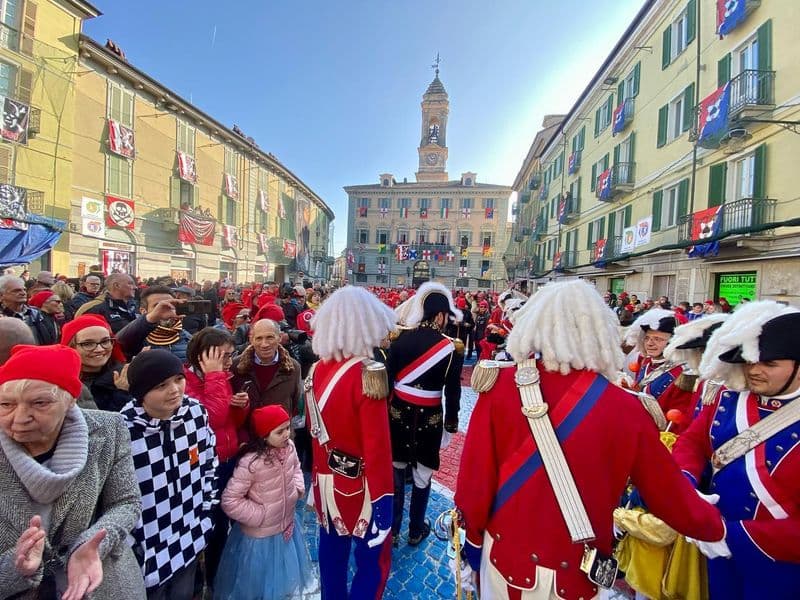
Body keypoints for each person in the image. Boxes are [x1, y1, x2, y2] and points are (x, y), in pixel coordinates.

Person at [454, 279, 727, 600]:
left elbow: (475, 483)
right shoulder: (627, 407)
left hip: (504, 562)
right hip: (580, 574)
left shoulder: (499, 389)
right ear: (600, 331)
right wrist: (716, 528)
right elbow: (667, 493)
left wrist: (471, 548)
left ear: (534, 325)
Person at [673, 300, 800, 599]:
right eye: (749, 361)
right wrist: (686, 482)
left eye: (769, 364)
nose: (754, 370)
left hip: (782, 567)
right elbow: (691, 442)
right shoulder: (729, 400)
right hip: (719, 553)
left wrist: (736, 537)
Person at [0, 344, 145, 599]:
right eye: (6, 404)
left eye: (40, 403)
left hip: (101, 585)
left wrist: (93, 543)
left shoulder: (109, 429)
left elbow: (126, 502)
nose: (20, 417)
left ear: (70, 400)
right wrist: (16, 567)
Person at [307, 286, 396, 598]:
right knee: (373, 562)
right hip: (361, 487)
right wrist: (385, 501)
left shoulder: (316, 368)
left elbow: (313, 429)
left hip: (324, 481)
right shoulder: (368, 373)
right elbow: (378, 447)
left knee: (331, 555)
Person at [121, 349, 218, 599]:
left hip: (190, 537)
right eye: (162, 385)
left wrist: (206, 514)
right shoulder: (122, 431)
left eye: (178, 379)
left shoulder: (196, 413)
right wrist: (135, 547)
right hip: (146, 551)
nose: (174, 390)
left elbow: (209, 463)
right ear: (141, 392)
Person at [387, 282, 463, 546]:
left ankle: (393, 530)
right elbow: (453, 393)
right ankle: (416, 529)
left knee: (396, 472)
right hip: (430, 420)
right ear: (441, 315)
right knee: (422, 475)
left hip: (397, 415)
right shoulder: (452, 348)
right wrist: (451, 425)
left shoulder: (399, 338)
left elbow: (387, 384)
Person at [214, 405, 317, 599]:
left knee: (280, 577)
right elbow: (230, 500)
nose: (286, 434)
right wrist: (259, 515)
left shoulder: (290, 449)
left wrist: (297, 489)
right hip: (259, 538)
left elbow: (296, 468)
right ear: (263, 435)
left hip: (286, 527)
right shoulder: (252, 463)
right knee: (257, 582)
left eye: (288, 428)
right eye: (280, 431)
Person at [183, 327, 250, 588]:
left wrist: (239, 406)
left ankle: (222, 573)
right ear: (204, 356)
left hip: (227, 458)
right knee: (215, 527)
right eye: (222, 356)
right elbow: (211, 418)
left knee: (228, 522)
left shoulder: (220, 377)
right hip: (205, 466)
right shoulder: (187, 381)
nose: (228, 361)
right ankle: (210, 581)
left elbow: (228, 421)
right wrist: (215, 377)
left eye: (230, 355)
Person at [624, 308, 694, 432]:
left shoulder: (686, 373)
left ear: (673, 342)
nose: (649, 343)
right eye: (647, 338)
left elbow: (679, 418)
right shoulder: (646, 362)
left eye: (658, 339)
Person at [231, 318, 302, 419]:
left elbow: (295, 403)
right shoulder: (236, 367)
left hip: (281, 432)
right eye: (259, 338)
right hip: (248, 433)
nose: (264, 344)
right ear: (251, 340)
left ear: (280, 338)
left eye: (270, 337)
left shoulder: (293, 368)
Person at [61, 315, 131, 412]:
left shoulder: (124, 376)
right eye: (88, 344)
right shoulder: (62, 385)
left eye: (105, 341)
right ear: (71, 347)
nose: (100, 349)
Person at [116, 286, 192, 361]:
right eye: (158, 306)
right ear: (143, 311)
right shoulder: (137, 338)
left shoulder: (188, 339)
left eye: (170, 305)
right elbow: (118, 343)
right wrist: (151, 318)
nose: (165, 309)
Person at [0, 275, 50, 344]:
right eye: (16, 291)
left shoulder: (35, 313)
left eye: (24, 290)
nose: (23, 293)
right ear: (1, 295)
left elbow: (46, 340)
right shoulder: (1, 317)